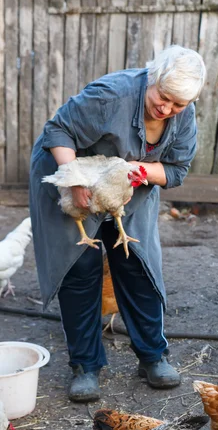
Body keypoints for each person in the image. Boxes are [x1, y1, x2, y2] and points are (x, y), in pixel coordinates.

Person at [29, 45, 206, 402]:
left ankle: (153, 356)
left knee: (136, 261)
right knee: (81, 264)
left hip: (125, 187)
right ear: (152, 78)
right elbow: (58, 131)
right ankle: (86, 365)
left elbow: (175, 170)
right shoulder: (111, 95)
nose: (167, 109)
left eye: (178, 104)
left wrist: (136, 173)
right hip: (71, 175)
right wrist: (75, 180)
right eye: (163, 98)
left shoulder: (183, 117)